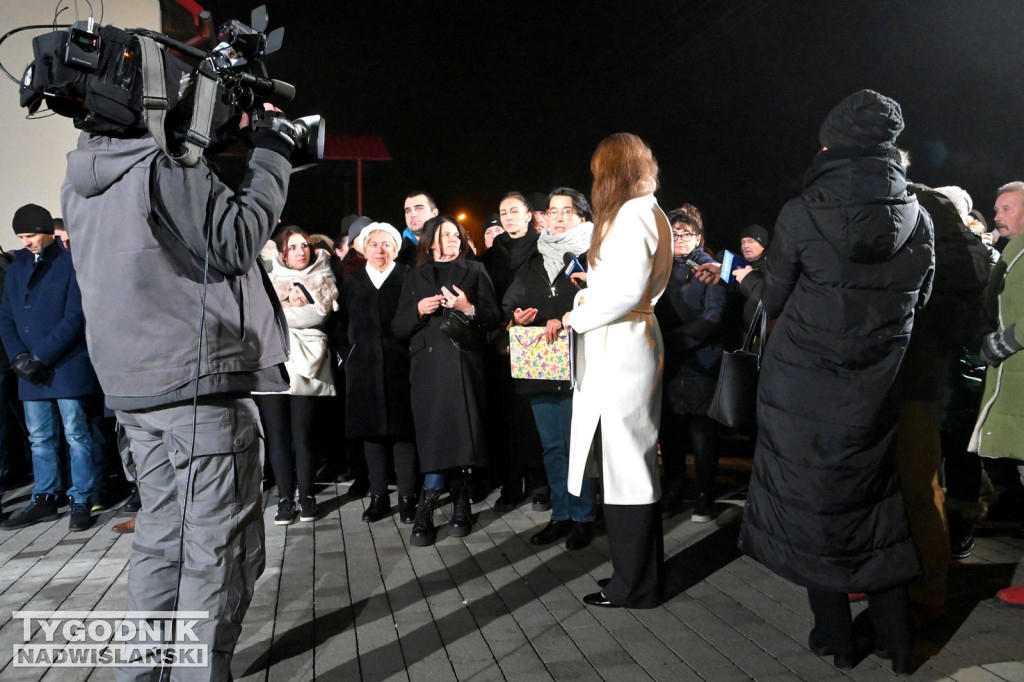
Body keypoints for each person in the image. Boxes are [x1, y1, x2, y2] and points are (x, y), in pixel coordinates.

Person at [60, 103, 295, 680]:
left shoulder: (83, 177)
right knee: (218, 557)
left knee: (161, 547)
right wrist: (273, 150)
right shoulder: (163, 166)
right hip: (198, 391)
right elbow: (237, 239)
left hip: (137, 394)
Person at [736, 90, 935, 674]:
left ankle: (838, 640)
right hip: (875, 386)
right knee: (876, 506)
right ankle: (899, 644)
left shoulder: (802, 211)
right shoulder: (920, 216)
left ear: (832, 145)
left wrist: (749, 280)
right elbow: (920, 300)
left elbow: (773, 297)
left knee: (810, 510)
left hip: (802, 389)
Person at [562, 133, 673, 609]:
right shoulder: (649, 210)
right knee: (629, 462)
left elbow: (628, 291)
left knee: (627, 465)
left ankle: (634, 586)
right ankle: (636, 578)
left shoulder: (632, 214)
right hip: (630, 339)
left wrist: (579, 315)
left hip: (623, 344)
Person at [392, 215, 500, 546]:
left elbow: (495, 317)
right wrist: (419, 311)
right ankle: (426, 505)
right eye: (445, 235)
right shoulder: (414, 276)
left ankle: (461, 503)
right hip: (427, 369)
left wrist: (468, 307)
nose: (452, 240)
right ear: (431, 241)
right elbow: (397, 327)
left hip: (465, 364)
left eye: (456, 235)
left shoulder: (476, 270)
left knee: (463, 432)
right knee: (435, 433)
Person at [504, 187, 597, 549]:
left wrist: (567, 318)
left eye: (567, 211)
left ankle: (585, 516)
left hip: (583, 366)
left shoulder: (594, 257)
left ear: (583, 218)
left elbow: (605, 302)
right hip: (542, 366)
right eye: (553, 211)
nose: (558, 217)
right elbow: (509, 302)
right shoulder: (533, 260)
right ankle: (561, 515)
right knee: (552, 446)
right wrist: (516, 315)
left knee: (580, 447)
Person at [0, 203, 100, 532]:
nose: (26, 242)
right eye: (20, 237)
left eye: (30, 235)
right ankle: (44, 497)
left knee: (76, 434)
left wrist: (40, 357)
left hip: (65, 364)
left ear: (46, 232)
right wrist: (18, 358)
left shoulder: (71, 263)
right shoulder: (16, 268)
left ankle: (81, 498)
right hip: (29, 370)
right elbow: (7, 317)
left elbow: (75, 317)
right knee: (39, 438)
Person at [256, 225, 339, 525]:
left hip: (307, 365)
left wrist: (287, 305)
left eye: (304, 244)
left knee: (304, 436)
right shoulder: (266, 279)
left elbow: (319, 314)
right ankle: (285, 500)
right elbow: (260, 316)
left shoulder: (324, 273)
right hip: (272, 363)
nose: (300, 251)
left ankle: (307, 497)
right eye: (292, 246)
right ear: (282, 253)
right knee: (277, 437)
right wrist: (288, 301)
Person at [339, 222, 418, 524]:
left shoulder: (407, 278)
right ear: (364, 248)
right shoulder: (354, 281)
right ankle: (378, 496)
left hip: (401, 366)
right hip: (364, 368)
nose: (379, 250)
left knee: (403, 434)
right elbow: (341, 323)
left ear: (396, 250)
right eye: (374, 244)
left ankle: (409, 497)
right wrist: (349, 355)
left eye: (386, 244)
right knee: (371, 435)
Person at [969, 181, 1024, 607]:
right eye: (997, 207)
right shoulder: (1008, 255)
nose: (998, 214)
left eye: (1007, 207)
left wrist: (1005, 342)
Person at [655, 204, 727, 522]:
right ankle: (673, 488)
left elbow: (713, 315)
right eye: (673, 234)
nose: (679, 239)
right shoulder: (658, 271)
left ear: (698, 238)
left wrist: (678, 341)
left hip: (701, 362)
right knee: (669, 431)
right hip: (667, 364)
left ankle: (704, 494)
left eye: (686, 234)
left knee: (701, 431)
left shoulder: (712, 269)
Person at [482, 191, 546, 513]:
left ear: (528, 215)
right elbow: (485, 298)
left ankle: (539, 482)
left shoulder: (542, 248)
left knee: (533, 415)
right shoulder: (491, 255)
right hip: (501, 342)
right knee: (506, 417)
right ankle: (511, 483)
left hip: (534, 340)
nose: (508, 217)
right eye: (503, 212)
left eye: (514, 211)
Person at [397, 191, 440, 266]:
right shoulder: (396, 250)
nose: (412, 214)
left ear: (435, 213)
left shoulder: (454, 243)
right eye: (408, 211)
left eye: (419, 208)